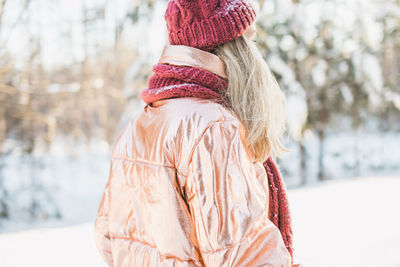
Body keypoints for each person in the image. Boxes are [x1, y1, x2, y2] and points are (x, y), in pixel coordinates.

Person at [95, 0, 301, 266]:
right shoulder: (212, 127)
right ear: (232, 48)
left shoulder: (136, 127)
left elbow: (110, 237)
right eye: (249, 39)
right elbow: (245, 256)